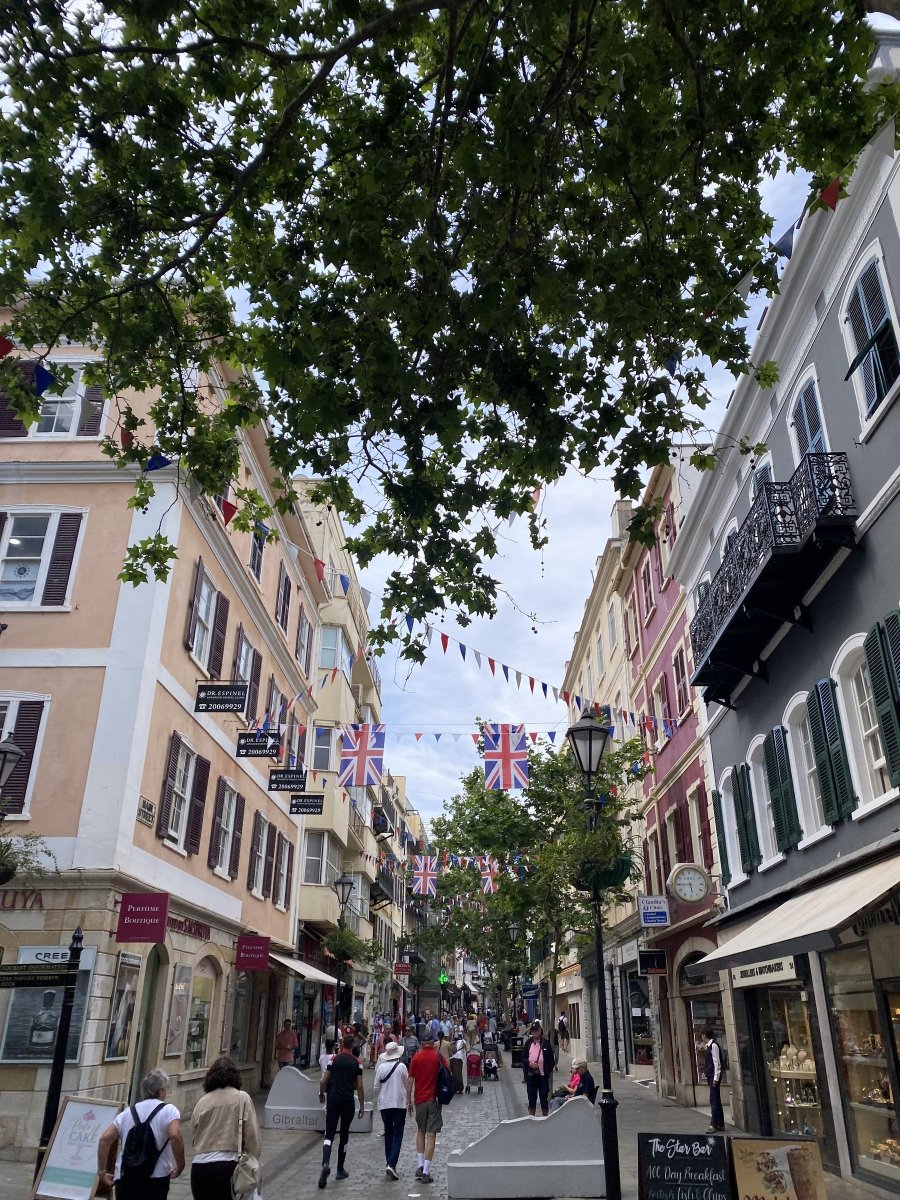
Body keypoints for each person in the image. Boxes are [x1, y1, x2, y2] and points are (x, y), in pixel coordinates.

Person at [98, 1068, 183, 1199]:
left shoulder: (128, 1112)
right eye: (165, 1088)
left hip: (126, 1176)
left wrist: (102, 1171)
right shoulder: (169, 1110)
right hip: (156, 1178)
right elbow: (175, 1136)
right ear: (160, 1090)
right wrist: (180, 1164)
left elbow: (104, 1139)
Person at [189, 1056, 261, 1200]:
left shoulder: (202, 1102)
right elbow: (252, 1137)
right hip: (228, 1166)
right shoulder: (242, 1098)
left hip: (200, 1167)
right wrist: (252, 1160)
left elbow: (194, 1136)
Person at [318, 1033, 365, 1187]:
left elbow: (324, 1080)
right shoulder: (357, 1062)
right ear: (353, 1046)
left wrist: (321, 1094)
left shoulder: (334, 1059)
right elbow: (359, 1085)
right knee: (344, 1134)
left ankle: (325, 1163)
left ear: (342, 1044)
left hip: (333, 1098)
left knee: (329, 1133)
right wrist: (362, 1105)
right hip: (347, 1100)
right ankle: (340, 1169)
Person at [406, 1029, 449, 1185]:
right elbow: (447, 1068)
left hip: (419, 1100)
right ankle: (426, 1171)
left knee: (420, 1131)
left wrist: (408, 1101)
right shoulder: (437, 1057)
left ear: (422, 1044)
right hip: (434, 1100)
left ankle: (419, 1164)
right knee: (431, 1135)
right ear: (433, 1043)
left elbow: (410, 1080)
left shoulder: (416, 1058)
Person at [375, 1037, 409, 1179]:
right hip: (399, 1104)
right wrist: (409, 1101)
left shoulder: (381, 1068)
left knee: (388, 1133)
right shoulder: (401, 1067)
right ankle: (391, 1163)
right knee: (398, 1134)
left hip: (385, 1104)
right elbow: (407, 1085)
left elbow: (376, 1087)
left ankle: (389, 1161)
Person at [522, 1020, 555, 1117]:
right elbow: (523, 1058)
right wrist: (529, 1063)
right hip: (531, 1076)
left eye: (537, 1030)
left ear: (540, 1030)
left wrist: (546, 1071)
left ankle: (545, 1117)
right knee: (532, 1099)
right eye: (533, 1030)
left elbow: (551, 1061)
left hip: (542, 1076)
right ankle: (531, 1118)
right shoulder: (528, 1043)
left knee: (543, 1098)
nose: (535, 1032)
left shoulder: (546, 1043)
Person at [698, 1030, 725, 1132]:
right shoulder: (709, 1046)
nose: (702, 1038)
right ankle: (720, 1123)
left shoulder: (713, 1046)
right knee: (716, 1100)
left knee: (713, 1100)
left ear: (705, 1035)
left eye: (702, 1035)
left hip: (714, 1077)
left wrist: (715, 1078)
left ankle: (713, 1124)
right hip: (711, 1076)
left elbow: (716, 1062)